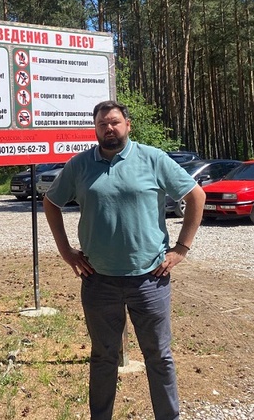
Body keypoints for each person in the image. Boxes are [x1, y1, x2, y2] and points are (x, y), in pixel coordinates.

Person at [43, 100, 205, 420]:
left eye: (115, 122)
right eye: (102, 124)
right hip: (98, 279)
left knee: (158, 356)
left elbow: (195, 195)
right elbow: (51, 202)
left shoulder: (152, 159)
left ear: (128, 125)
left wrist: (181, 248)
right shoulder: (80, 165)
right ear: (96, 129)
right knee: (103, 357)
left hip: (150, 278)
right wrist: (65, 251)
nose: (109, 128)